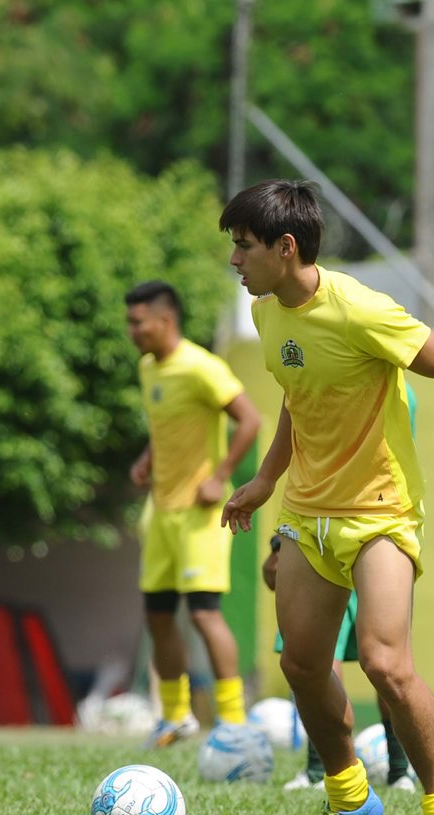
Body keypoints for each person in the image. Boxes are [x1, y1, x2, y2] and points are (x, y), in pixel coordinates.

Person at [219, 180, 434, 815]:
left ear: (286, 248)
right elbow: (296, 396)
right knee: (304, 664)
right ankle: (350, 799)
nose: (234, 260)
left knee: (384, 661)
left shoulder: (360, 308)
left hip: (378, 513)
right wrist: (263, 479)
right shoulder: (268, 314)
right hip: (306, 511)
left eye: (243, 246)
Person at [125, 280, 261, 749]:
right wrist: (148, 457)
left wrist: (220, 476)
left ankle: (233, 721)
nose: (132, 331)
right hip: (160, 512)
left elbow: (251, 419)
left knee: (204, 615)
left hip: (199, 516)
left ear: (165, 321)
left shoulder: (202, 367)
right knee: (158, 615)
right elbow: (167, 427)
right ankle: (175, 717)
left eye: (137, 322)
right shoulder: (149, 368)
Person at [269, 378, 421, 793]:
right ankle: (322, 771)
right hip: (316, 536)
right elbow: (307, 459)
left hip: (372, 542)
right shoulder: (322, 365)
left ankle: (400, 770)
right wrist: (279, 545)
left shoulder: (392, 391)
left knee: (385, 666)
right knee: (312, 661)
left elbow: (359, 466)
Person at [263, 534, 415, 793]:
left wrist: (280, 546)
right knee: (368, 664)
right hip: (354, 551)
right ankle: (393, 771)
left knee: (373, 665)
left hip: (349, 548)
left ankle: (322, 769)